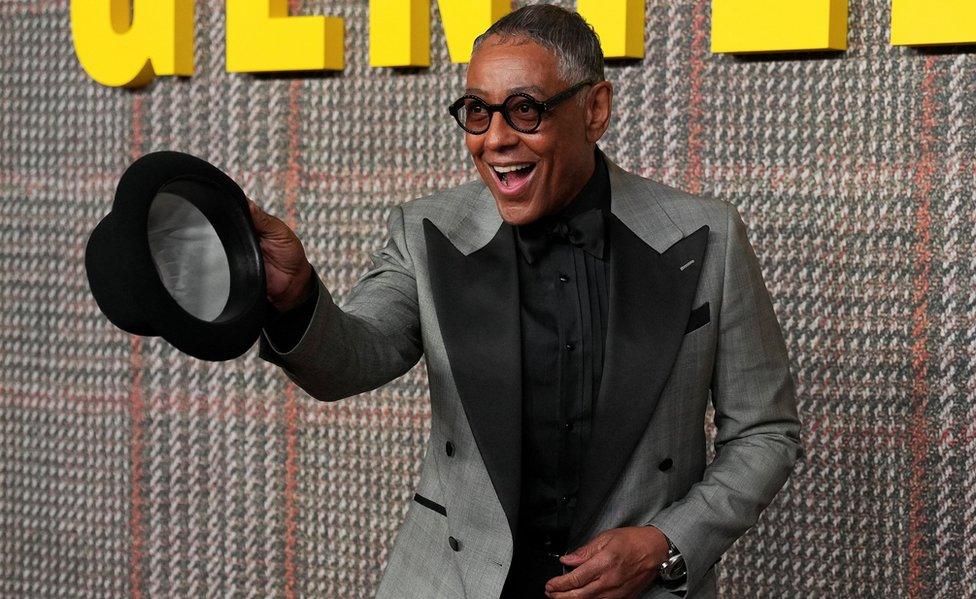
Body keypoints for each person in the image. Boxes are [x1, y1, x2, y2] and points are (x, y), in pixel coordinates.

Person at [248, 5, 801, 598]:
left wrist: (666, 544)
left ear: (595, 110)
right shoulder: (427, 230)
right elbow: (353, 357)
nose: (495, 138)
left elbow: (766, 432)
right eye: (478, 112)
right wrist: (297, 294)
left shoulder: (707, 234)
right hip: (457, 583)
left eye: (525, 109)